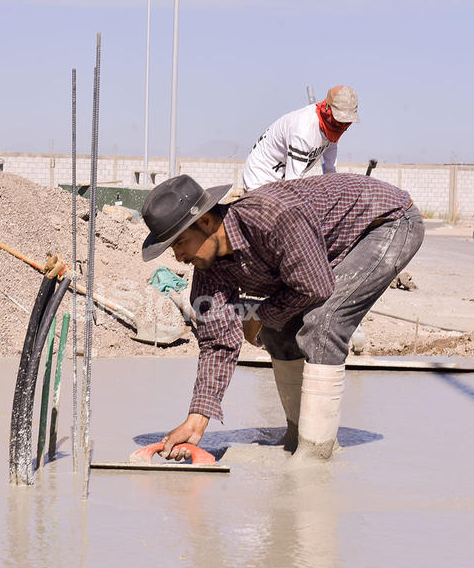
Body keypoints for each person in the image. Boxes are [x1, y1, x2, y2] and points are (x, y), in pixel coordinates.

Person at [140, 171, 423, 465]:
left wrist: (260, 314)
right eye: (173, 248)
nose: (179, 257)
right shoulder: (209, 269)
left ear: (207, 221)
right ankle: (298, 435)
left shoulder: (273, 218)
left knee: (323, 323)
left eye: (181, 242)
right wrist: (196, 421)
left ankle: (316, 451)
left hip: (387, 223)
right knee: (277, 330)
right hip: (332, 247)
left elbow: (315, 287)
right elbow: (217, 343)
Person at [241, 85, 359, 191]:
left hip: (282, 179)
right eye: (340, 121)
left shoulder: (333, 129)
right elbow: (292, 184)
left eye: (346, 122)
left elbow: (330, 170)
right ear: (327, 109)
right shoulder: (304, 130)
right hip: (261, 178)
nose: (343, 126)